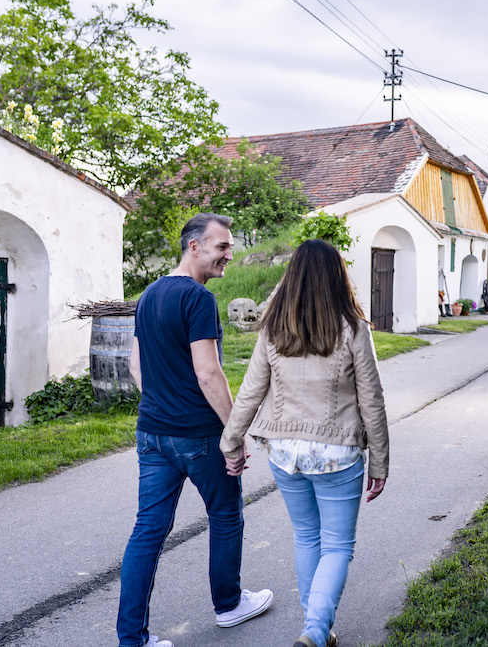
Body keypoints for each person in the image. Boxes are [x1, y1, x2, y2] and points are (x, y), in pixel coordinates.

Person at [221, 239, 389, 647]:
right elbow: (372, 398)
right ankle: (315, 630)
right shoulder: (353, 328)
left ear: (292, 276)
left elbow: (250, 390)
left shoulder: (274, 328)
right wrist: (380, 463)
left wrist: (231, 441)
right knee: (336, 546)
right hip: (337, 455)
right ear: (338, 276)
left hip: (283, 452)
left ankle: (317, 628)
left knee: (306, 536)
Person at [118, 213, 273, 647]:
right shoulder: (198, 298)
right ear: (194, 247)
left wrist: (164, 403)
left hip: (151, 434)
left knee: (147, 529)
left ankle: (132, 639)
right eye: (222, 246)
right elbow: (209, 374)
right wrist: (235, 433)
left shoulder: (149, 295)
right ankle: (229, 605)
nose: (229, 254)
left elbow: (136, 365)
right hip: (201, 438)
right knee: (225, 517)